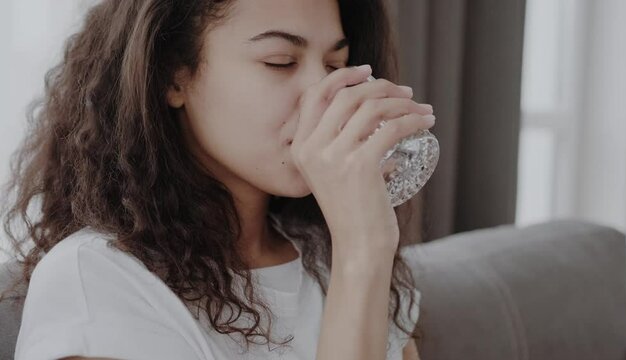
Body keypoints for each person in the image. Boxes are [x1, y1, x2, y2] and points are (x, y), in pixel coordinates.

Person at [1, 0, 436, 359]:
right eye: (280, 62)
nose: (322, 94)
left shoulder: (331, 253)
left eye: (335, 64)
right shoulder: (97, 280)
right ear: (173, 75)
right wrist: (361, 251)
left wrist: (363, 251)